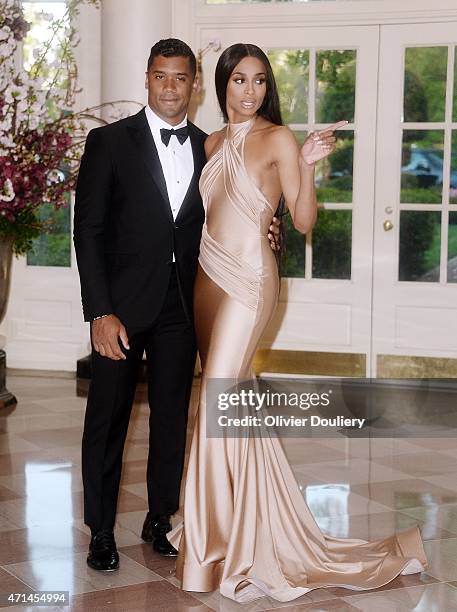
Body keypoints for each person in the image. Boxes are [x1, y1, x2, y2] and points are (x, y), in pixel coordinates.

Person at [167, 43, 427, 603]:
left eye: (259, 81)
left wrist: (306, 168)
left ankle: (219, 554)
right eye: (239, 80)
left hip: (249, 282)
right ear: (221, 85)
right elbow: (203, 218)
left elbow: (303, 219)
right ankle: (246, 527)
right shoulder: (210, 142)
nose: (250, 91)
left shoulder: (278, 139)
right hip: (206, 279)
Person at [73, 39, 280, 572]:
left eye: (181, 78)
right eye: (161, 77)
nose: (170, 87)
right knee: (107, 419)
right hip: (119, 308)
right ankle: (100, 529)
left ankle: (159, 519)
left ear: (194, 84)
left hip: (184, 306)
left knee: (170, 420)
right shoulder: (108, 142)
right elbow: (88, 231)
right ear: (147, 79)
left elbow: (236, 208)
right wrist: (99, 310)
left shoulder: (210, 146)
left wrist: (268, 226)